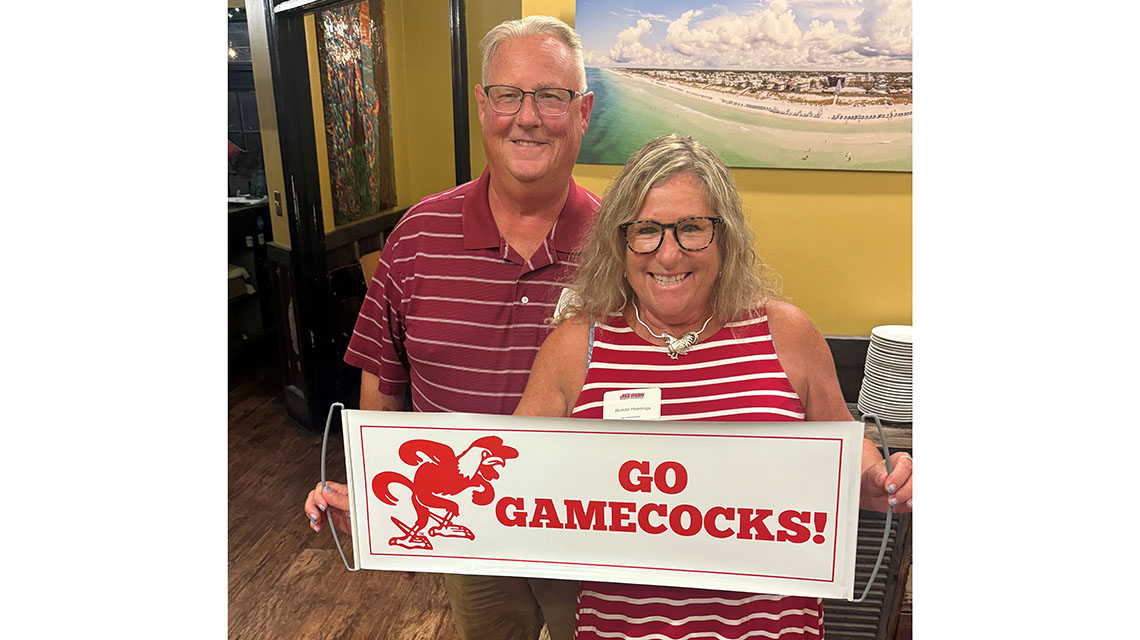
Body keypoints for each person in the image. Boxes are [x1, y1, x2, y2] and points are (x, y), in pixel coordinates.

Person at [513, 134, 913, 639]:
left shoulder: (786, 333)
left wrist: (877, 478)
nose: (669, 254)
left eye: (691, 228)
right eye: (646, 230)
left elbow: (843, 446)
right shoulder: (575, 347)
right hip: (626, 627)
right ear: (620, 240)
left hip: (772, 626)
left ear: (725, 237)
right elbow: (514, 476)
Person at [302, 15, 598, 640]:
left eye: (551, 95)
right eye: (508, 95)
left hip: (591, 535)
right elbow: (384, 379)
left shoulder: (626, 248)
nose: (528, 116)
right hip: (469, 530)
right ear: (483, 106)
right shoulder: (416, 238)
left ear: (583, 112)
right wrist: (383, 507)